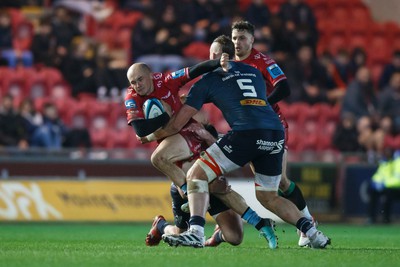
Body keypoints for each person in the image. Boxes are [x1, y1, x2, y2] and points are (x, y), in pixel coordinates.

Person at [140, 35, 331, 249]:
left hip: (246, 133)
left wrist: (148, 136)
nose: (209, 59)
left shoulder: (208, 81)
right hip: (275, 133)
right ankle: (313, 233)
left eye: (212, 55)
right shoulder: (254, 72)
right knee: (268, 196)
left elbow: (177, 125)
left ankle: (195, 232)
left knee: (196, 174)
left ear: (219, 57)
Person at [126, 58, 278, 248]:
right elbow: (140, 131)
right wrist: (167, 118)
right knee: (200, 180)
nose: (137, 85)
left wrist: (205, 134)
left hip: (197, 166)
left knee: (235, 237)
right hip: (184, 173)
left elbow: (194, 70)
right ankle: (167, 222)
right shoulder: (133, 97)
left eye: (140, 79)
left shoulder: (203, 126)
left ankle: (216, 233)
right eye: (133, 82)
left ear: (150, 76)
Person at [230, 20, 317, 247]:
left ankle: (308, 223)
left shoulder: (263, 61)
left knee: (281, 180)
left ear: (252, 39)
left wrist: (262, 105)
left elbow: (284, 87)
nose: (237, 43)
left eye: (242, 38)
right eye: (234, 38)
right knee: (273, 183)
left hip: (272, 125)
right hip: (249, 128)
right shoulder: (229, 64)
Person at [367, 147, 400, 224]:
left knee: (388, 194)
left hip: (396, 189)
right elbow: (378, 175)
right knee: (372, 191)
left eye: (388, 151)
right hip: (387, 187)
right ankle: (371, 218)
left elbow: (398, 180)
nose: (386, 153)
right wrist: (375, 183)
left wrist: (384, 184)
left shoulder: (398, 162)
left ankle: (386, 219)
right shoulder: (385, 162)